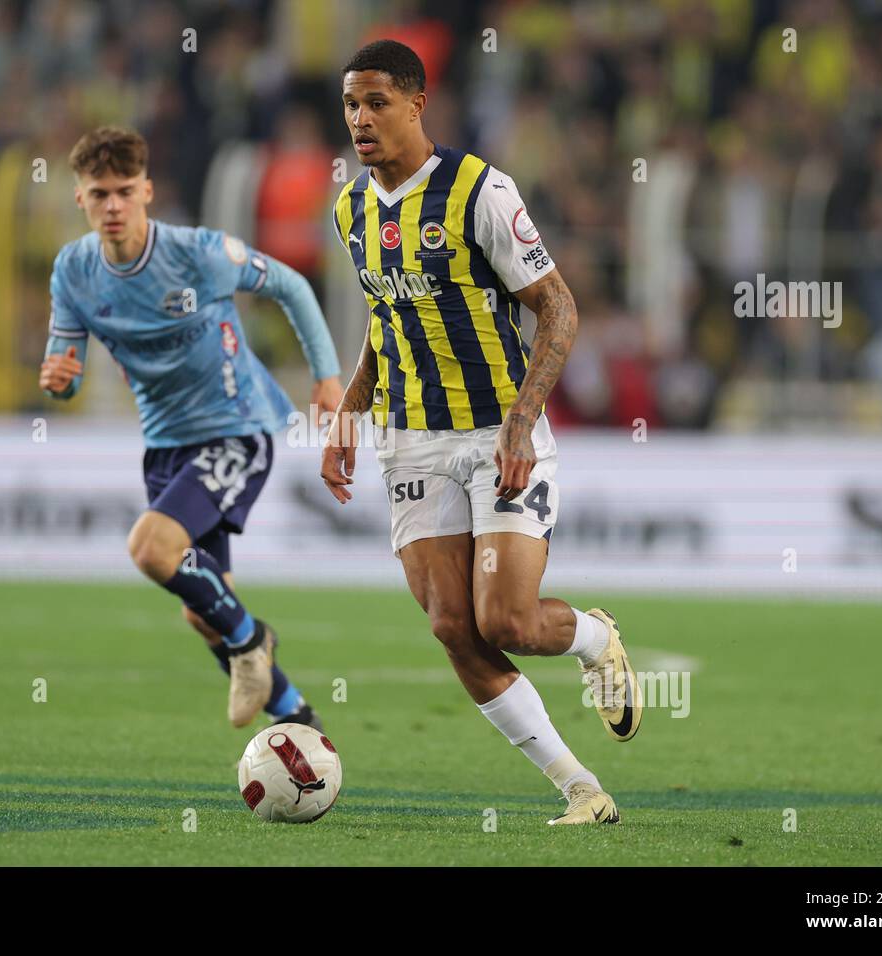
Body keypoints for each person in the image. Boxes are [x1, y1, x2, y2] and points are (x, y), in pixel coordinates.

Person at [320, 41, 642, 825]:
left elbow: (558, 306)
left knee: (507, 622)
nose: (360, 120)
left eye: (376, 103)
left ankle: (595, 640)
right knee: (452, 627)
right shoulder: (350, 207)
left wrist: (523, 424)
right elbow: (387, 315)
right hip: (413, 441)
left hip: (498, 429)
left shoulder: (478, 191)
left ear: (417, 102)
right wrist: (349, 413)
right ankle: (580, 789)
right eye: (351, 106)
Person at [40, 127, 343, 728]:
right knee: (203, 612)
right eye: (99, 194)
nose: (113, 206)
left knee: (152, 548)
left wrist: (327, 379)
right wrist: (59, 380)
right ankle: (297, 719)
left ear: (147, 190)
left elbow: (291, 285)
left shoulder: (197, 253)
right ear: (80, 199)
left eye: (125, 191)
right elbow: (67, 371)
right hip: (165, 447)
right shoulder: (73, 272)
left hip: (237, 428)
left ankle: (254, 641)